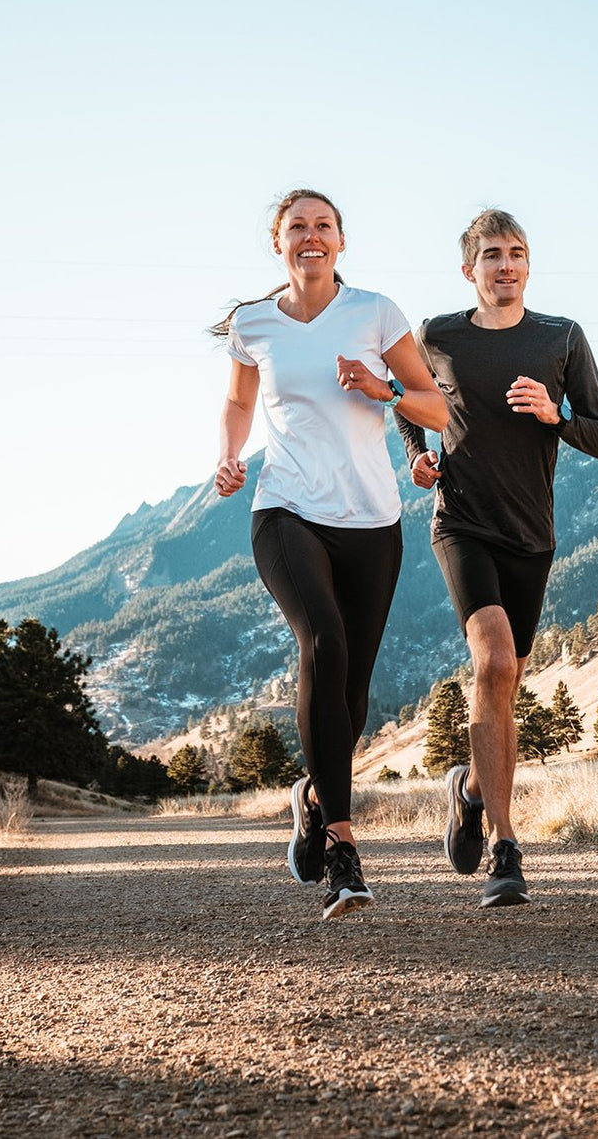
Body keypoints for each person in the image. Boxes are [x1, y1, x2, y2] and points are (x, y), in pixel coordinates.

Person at [213, 188, 447, 921]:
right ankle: (344, 850)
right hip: (284, 509)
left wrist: (382, 388)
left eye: (323, 227)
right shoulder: (253, 323)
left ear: (341, 241)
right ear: (277, 243)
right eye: (296, 229)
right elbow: (239, 402)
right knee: (322, 640)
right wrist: (228, 456)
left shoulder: (376, 312)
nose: (310, 238)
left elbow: (436, 407)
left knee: (351, 693)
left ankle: (314, 795)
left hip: (372, 521)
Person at [395, 208, 598, 908]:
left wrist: (557, 416)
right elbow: (407, 398)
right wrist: (418, 456)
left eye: (516, 253)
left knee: (509, 677)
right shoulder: (439, 336)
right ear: (470, 269)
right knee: (491, 661)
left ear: (528, 264)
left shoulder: (561, 338)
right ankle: (505, 845)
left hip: (532, 536)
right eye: (491, 254)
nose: (506, 264)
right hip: (461, 524)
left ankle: (468, 785)